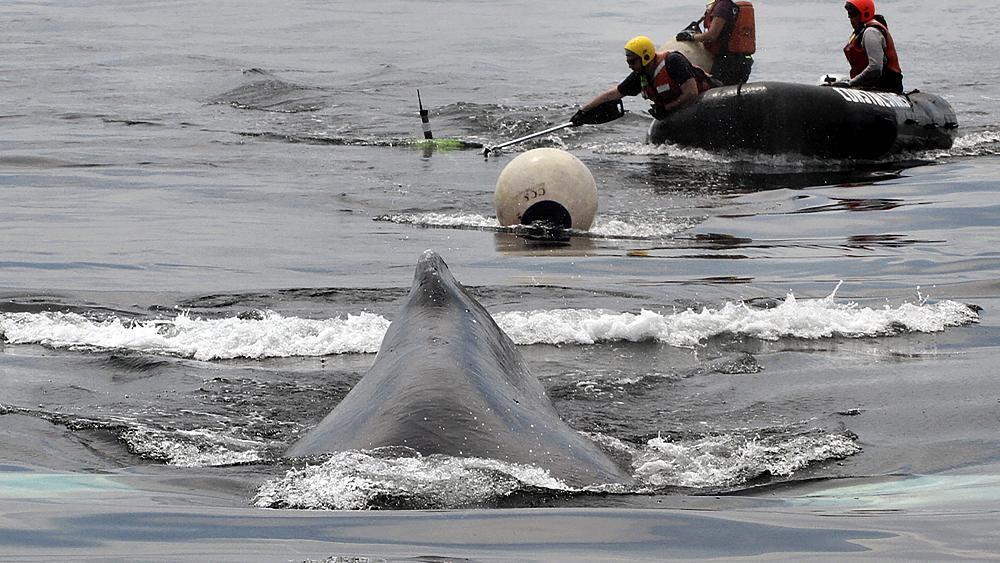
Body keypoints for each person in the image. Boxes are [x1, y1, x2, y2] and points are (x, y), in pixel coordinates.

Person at [572, 35, 717, 124]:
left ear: (645, 57)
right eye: (628, 62)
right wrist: (583, 112)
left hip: (709, 100)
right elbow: (614, 93)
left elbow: (692, 92)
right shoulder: (641, 74)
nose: (630, 66)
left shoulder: (673, 61)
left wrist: (666, 108)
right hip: (684, 111)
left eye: (632, 62)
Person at [675, 0, 755, 86]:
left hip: (728, 63)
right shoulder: (725, 6)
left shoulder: (723, 6)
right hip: (740, 60)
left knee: (720, 89)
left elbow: (712, 35)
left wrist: (691, 37)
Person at [838, 0, 903, 93]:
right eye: (849, 14)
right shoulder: (861, 31)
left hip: (887, 87)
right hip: (871, 85)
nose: (850, 18)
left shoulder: (871, 33)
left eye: (852, 14)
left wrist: (850, 83)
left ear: (865, 14)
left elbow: (875, 68)